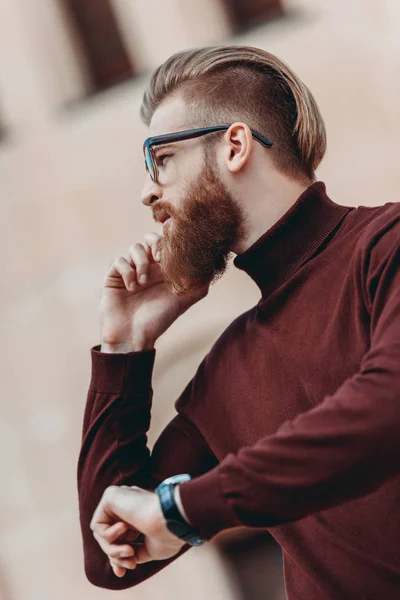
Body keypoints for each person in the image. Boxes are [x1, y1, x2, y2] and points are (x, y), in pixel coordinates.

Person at [78, 45, 400, 599]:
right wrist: (124, 348)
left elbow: (386, 408)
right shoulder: (227, 370)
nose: (148, 191)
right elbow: (114, 555)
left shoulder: (387, 246)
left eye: (161, 158)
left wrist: (187, 508)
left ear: (234, 145)